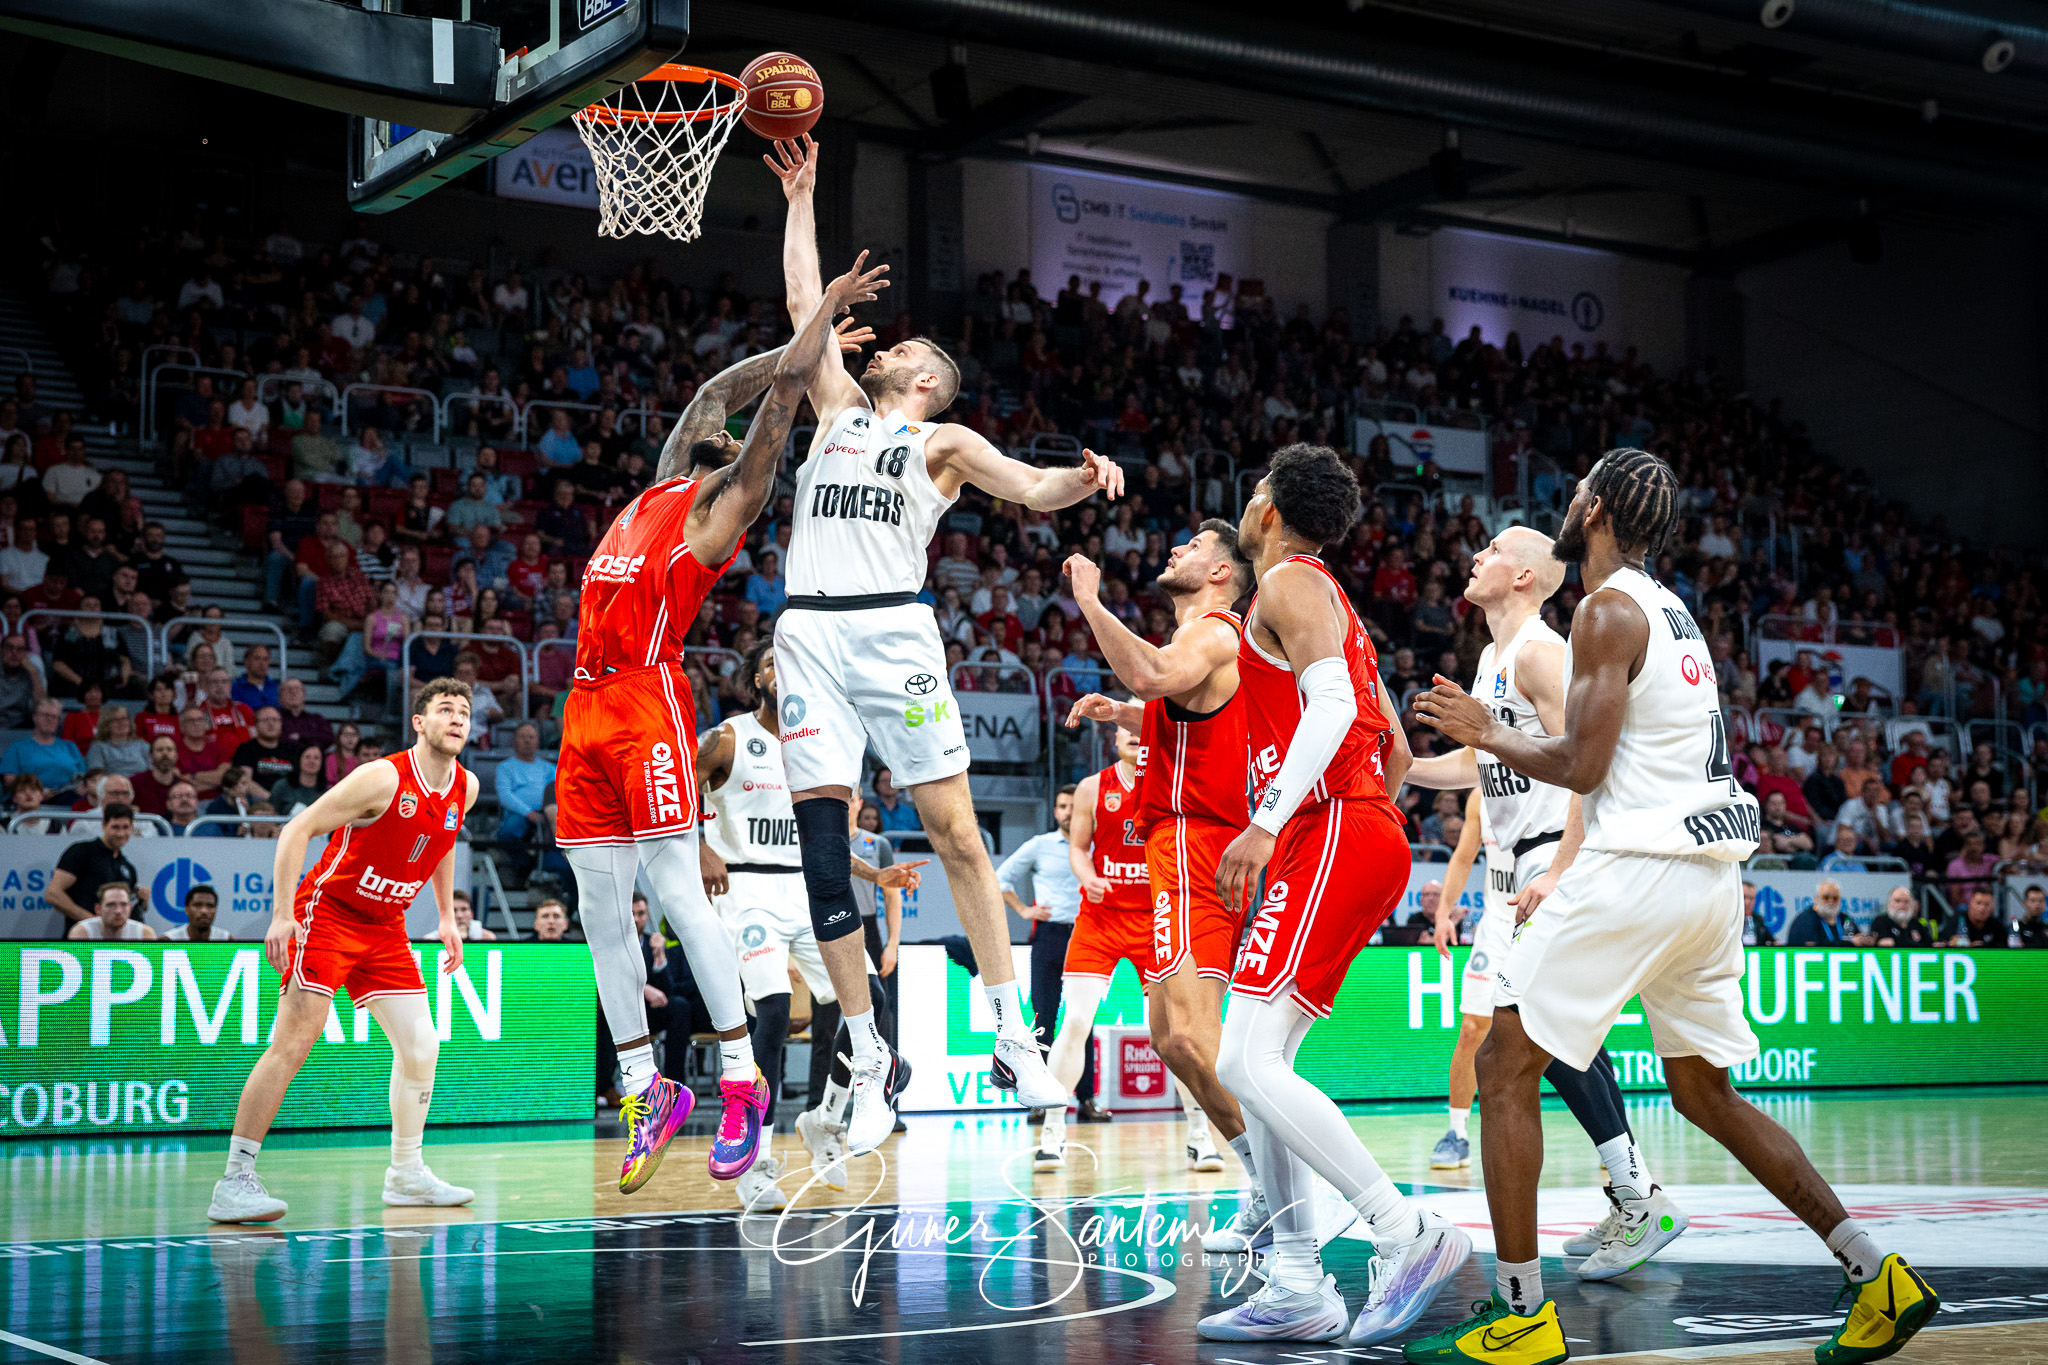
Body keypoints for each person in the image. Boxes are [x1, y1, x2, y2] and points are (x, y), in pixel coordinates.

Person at [1410, 448, 1936, 1361]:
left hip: (1641, 867)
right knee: (1701, 1089)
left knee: (1501, 1067)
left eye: (1579, 493)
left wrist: (1488, 731)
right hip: (1709, 880)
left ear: (1602, 510)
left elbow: (1582, 767)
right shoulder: (1673, 611)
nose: (1569, 502)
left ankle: (1522, 1312)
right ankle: (1877, 1273)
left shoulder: (1606, 610)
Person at [767, 136, 1103, 1150]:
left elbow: (1030, 486)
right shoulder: (830, 407)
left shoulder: (939, 443)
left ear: (925, 379)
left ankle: (1010, 1035)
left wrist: (1079, 482)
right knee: (824, 855)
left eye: (906, 350)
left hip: (892, 631)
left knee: (955, 834)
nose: (889, 346)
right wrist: (801, 192)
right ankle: (868, 1061)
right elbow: (799, 308)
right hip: (808, 634)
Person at [558, 252, 879, 1196]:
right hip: (583, 706)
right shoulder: (660, 488)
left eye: (730, 447)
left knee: (681, 897)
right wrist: (794, 341)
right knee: (596, 914)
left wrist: (813, 329)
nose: (719, 439)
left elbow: (770, 416)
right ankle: (640, 1087)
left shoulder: (715, 515)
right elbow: (714, 395)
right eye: (714, 442)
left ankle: (741, 1084)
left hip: (646, 702)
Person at [1196, 446, 1464, 1345]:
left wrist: (1273, 817)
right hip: (1341, 827)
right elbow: (1388, 735)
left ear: (1267, 503)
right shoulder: (1319, 597)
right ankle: (1298, 1280)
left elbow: (1340, 712)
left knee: (1247, 1063)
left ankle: (1405, 1230)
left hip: (1332, 827)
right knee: (1250, 1059)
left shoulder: (1290, 582)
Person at [1402, 525, 1688, 1280]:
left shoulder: (1539, 650)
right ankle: (1634, 1193)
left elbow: (1586, 763)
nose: (1474, 557)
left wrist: (1563, 868)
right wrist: (1410, 765)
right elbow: (1481, 756)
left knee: (1528, 1040)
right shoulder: (1494, 657)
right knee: (1551, 1039)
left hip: (1547, 869)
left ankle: (1634, 1195)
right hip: (1510, 883)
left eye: (1492, 550)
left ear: (1525, 574)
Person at [205, 679, 480, 1223]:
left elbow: (442, 844)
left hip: (385, 925)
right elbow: (296, 830)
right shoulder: (381, 777)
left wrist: (447, 916)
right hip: (327, 914)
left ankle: (405, 1174)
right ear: (419, 723)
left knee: (423, 1045)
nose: (457, 719)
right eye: (444, 709)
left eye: (465, 712)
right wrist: (283, 914)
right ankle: (234, 1180)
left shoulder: (464, 787)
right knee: (294, 1041)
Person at [1057, 520, 1259, 1204]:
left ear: (1221, 573)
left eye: (1194, 547)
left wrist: (1090, 600)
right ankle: (1266, 1178)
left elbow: (1151, 673)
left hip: (1197, 842)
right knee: (1172, 1039)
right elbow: (1184, 710)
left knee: (1200, 1043)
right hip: (1179, 844)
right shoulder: (1201, 641)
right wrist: (1128, 712)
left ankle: (1287, 1190)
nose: (1176, 548)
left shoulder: (1213, 631)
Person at [696, 639, 924, 1210]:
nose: (781, 669)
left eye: (788, 661)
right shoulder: (727, 737)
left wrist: (875, 875)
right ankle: (756, 1154)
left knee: (870, 1002)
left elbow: (818, 842)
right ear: (755, 681)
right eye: (770, 661)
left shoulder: (816, 748)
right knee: (774, 1011)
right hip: (745, 889)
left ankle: (825, 1119)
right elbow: (675, 787)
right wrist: (700, 843)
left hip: (804, 887)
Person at [1030, 725, 1155, 1174]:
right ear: (1114, 738)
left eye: (1143, 727)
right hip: (1100, 919)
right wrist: (1087, 877)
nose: (1135, 735)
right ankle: (1052, 1132)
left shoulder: (1169, 777)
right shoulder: (1091, 787)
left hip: (1156, 918)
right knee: (1077, 1020)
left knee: (1172, 1035)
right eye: (1127, 730)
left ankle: (1201, 1136)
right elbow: (1078, 850)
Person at [995, 784, 1109, 1125]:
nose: (1069, 811)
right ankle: (1040, 1101)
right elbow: (1001, 878)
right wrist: (1025, 911)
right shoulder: (1040, 845)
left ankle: (1086, 1099)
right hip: (1050, 935)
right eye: (1062, 806)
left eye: (1074, 805)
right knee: (1043, 1019)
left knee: (1083, 1020)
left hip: (1088, 936)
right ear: (1055, 811)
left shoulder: (1098, 846)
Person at [45, 803, 145, 927]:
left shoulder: (128, 868)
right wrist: (93, 922)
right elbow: (53, 894)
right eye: (115, 827)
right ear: (103, 825)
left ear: (132, 828)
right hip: (80, 940)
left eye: (125, 827)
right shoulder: (81, 851)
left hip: (113, 943)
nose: (121, 833)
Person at [1785, 880, 1871, 946]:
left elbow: (1853, 940)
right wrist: (1850, 942)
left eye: (1835, 898)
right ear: (1816, 899)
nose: (1831, 901)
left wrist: (1864, 941)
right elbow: (1813, 948)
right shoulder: (1806, 920)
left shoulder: (1845, 920)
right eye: (1826, 898)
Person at [67, 881, 157, 941]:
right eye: (111, 905)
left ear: (130, 908)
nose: (118, 911)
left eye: (123, 905)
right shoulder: (83, 932)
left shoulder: (144, 934)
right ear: (98, 909)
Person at [1870, 885, 1937, 948]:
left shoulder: (1915, 923)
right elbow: (1885, 943)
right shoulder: (1881, 921)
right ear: (1890, 903)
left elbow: (1929, 944)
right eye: (1897, 901)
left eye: (1906, 901)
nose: (1902, 905)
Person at [165, 883, 230, 940]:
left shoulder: (227, 940)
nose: (204, 911)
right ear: (186, 909)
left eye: (210, 906)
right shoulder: (169, 941)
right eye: (198, 905)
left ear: (215, 911)